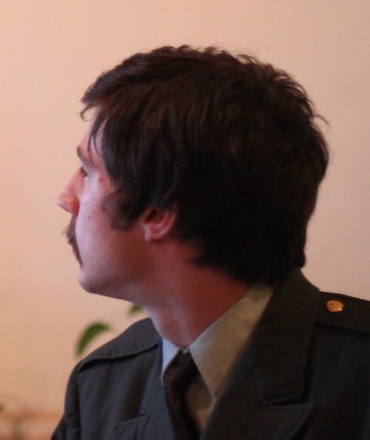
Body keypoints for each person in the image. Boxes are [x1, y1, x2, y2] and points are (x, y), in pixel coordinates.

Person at [52, 45, 370, 439]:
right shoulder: (101, 388)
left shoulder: (357, 374)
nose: (66, 197)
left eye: (87, 170)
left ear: (159, 210)